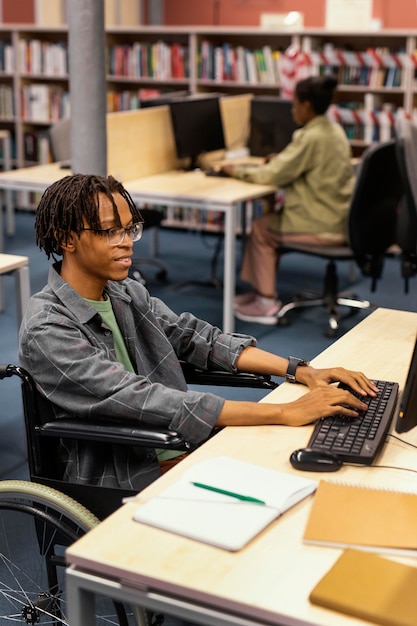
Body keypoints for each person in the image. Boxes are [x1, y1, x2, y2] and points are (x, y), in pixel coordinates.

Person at [19, 173, 376, 492]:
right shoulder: (47, 328)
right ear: (66, 239)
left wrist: (300, 370)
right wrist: (285, 412)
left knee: (319, 473)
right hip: (131, 472)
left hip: (182, 445)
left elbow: (196, 337)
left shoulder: (125, 293)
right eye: (110, 231)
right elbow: (141, 398)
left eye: (130, 229)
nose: (127, 241)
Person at [221, 75, 355, 325]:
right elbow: (296, 164)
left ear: (305, 106)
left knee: (262, 229)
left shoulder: (308, 137)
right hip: (339, 216)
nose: (292, 110)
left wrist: (235, 170)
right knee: (267, 223)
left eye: (294, 104)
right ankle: (259, 291)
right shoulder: (333, 129)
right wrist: (282, 159)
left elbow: (272, 175)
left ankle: (266, 302)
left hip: (321, 224)